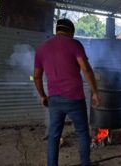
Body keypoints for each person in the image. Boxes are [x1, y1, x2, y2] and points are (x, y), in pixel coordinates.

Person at [33, 18, 99, 166]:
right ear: (71, 31)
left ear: (57, 30)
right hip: (75, 98)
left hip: (54, 99)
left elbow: (36, 76)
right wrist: (95, 92)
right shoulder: (74, 44)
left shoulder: (41, 48)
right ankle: (85, 163)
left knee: (54, 136)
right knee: (82, 133)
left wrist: (43, 95)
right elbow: (86, 69)